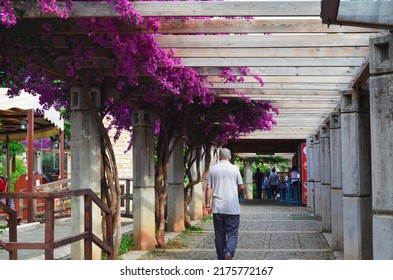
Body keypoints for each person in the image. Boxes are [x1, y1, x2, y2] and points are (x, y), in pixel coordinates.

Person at [205, 148, 245, 260]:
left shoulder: (212, 169)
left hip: (217, 207)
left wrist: (207, 205)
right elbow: (241, 186)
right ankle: (228, 251)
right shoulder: (235, 169)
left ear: (219, 157)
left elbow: (208, 188)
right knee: (232, 233)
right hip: (232, 208)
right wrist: (237, 191)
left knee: (219, 234)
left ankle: (221, 257)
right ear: (230, 157)